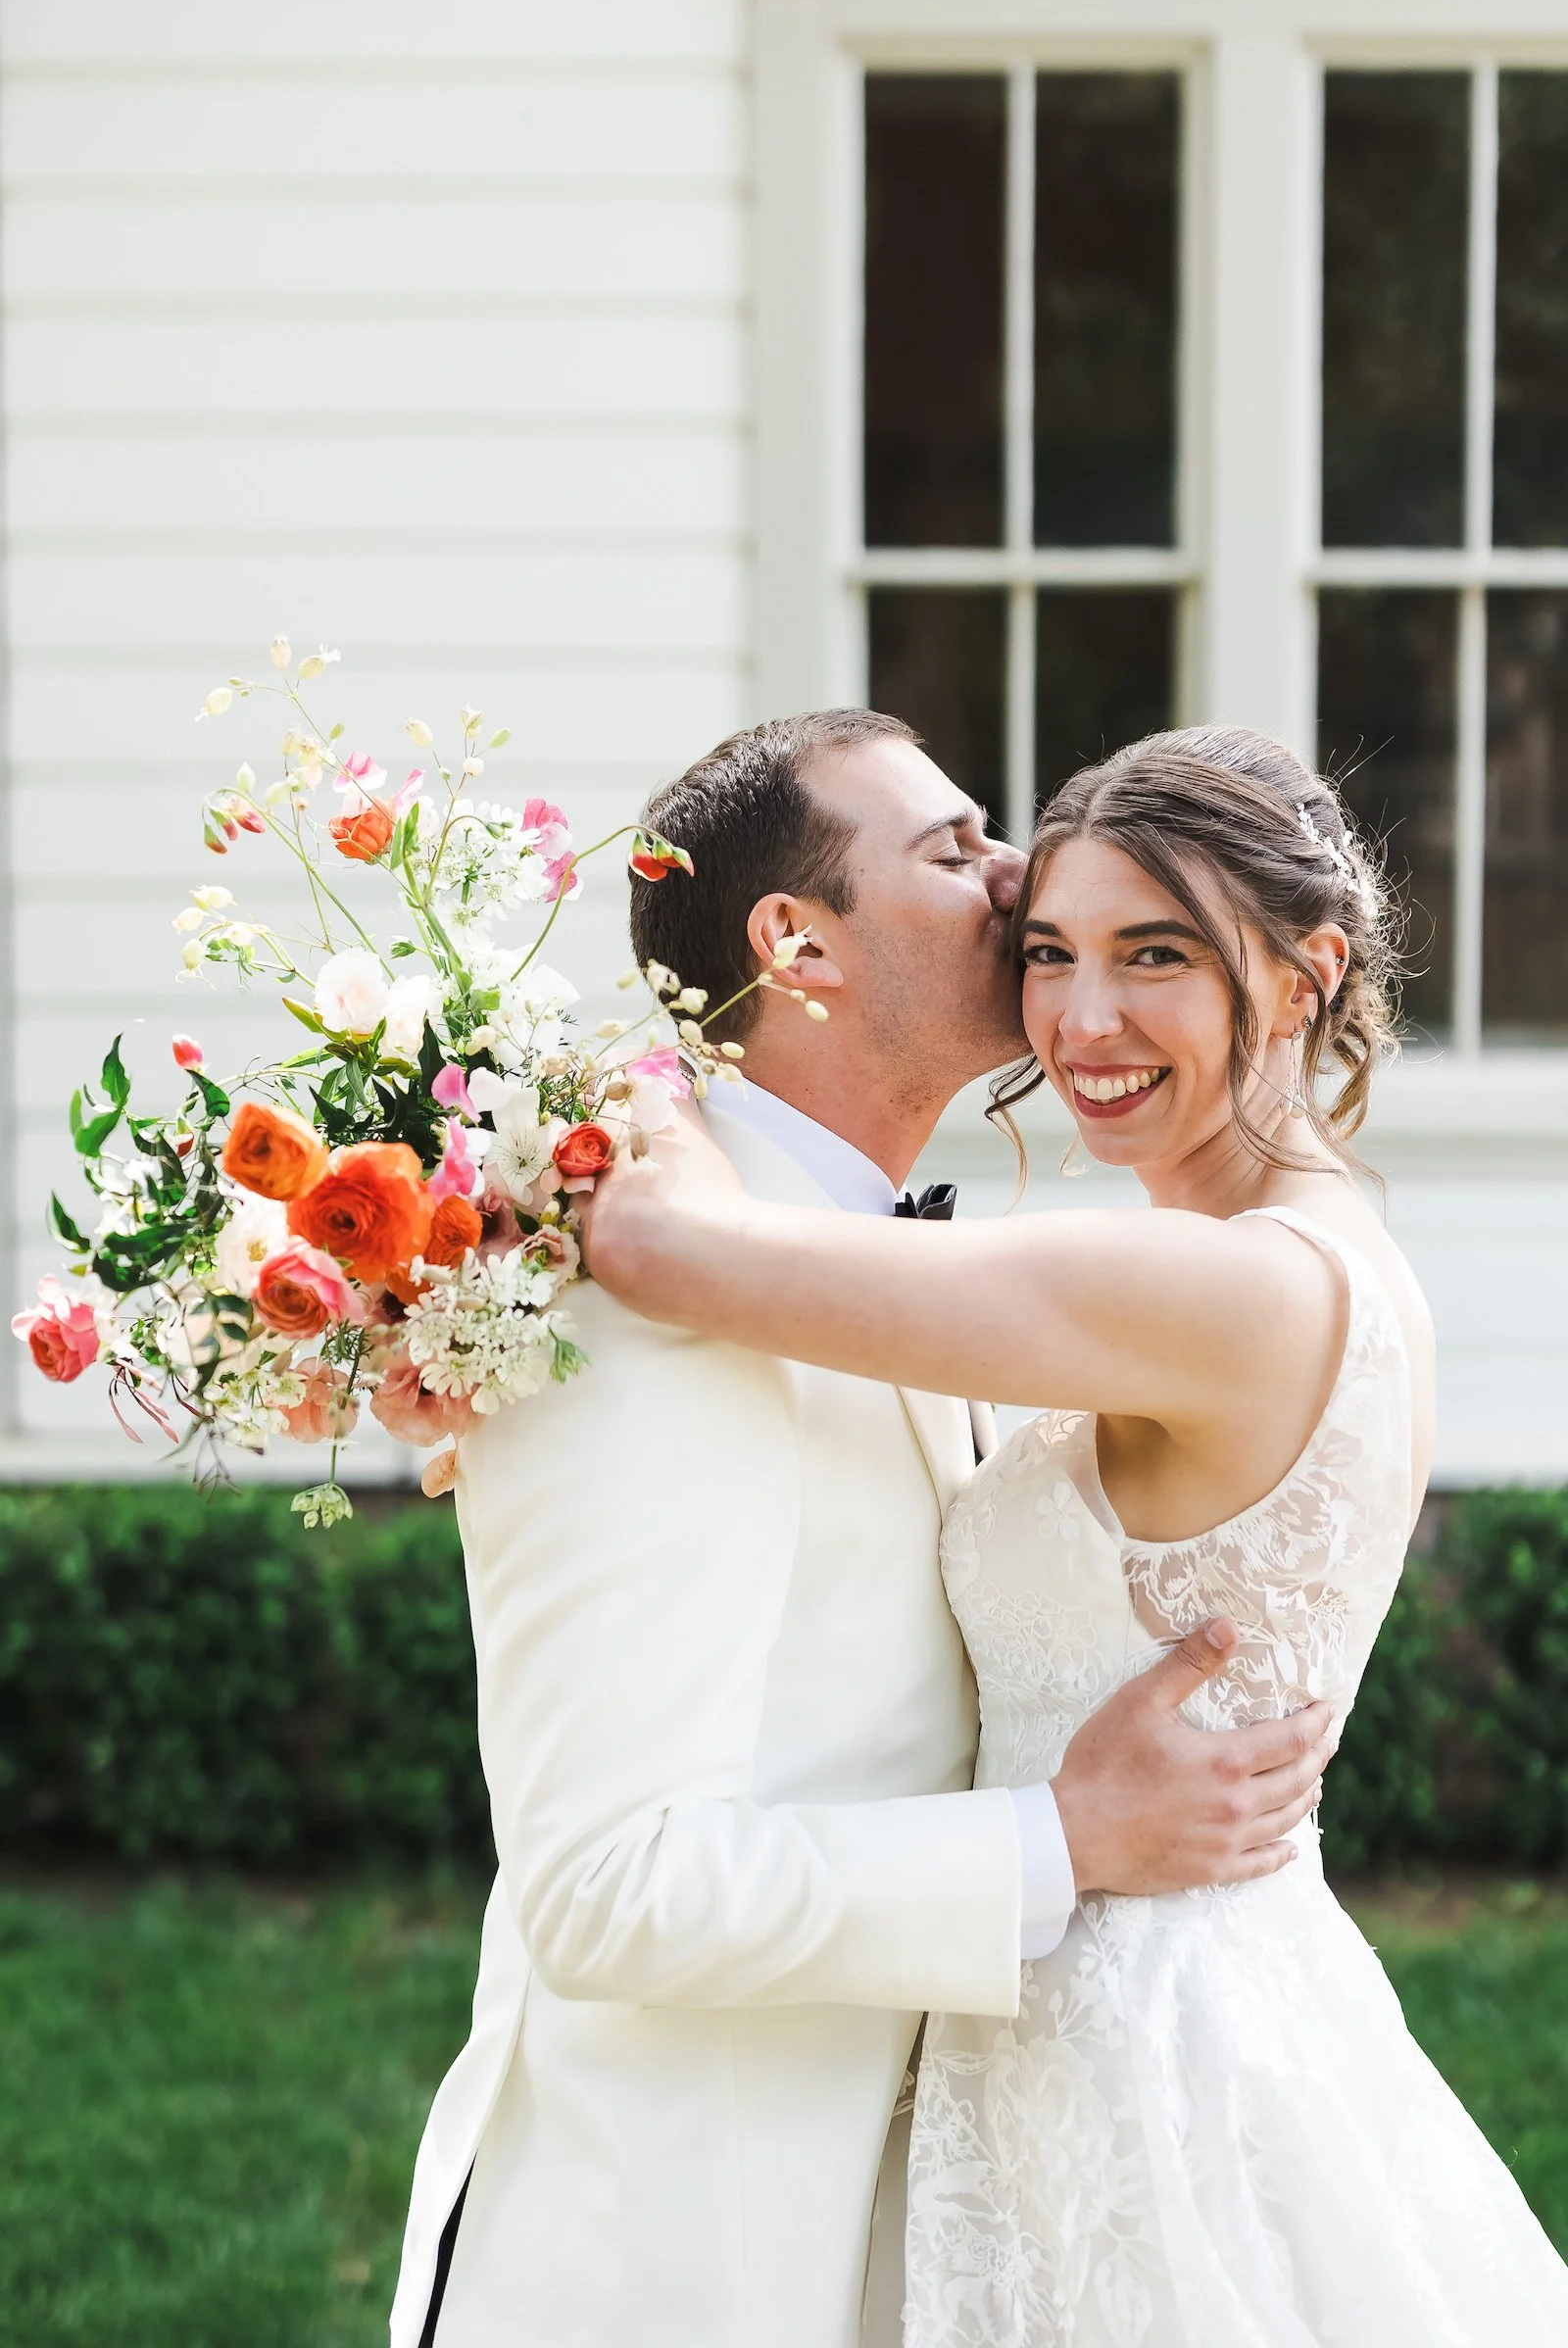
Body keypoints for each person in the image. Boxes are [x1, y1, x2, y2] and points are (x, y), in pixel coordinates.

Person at [580, 724, 1568, 2345]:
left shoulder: (1224, 1289)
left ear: (1309, 974)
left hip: (1141, 2069)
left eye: (1155, 957)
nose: (1083, 1021)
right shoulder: (1299, 1255)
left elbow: (654, 1237)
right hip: (1142, 2006)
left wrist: (585, 1096)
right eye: (1049, 953)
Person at [390, 711, 1334, 2348]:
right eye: (953, 845)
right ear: (796, 942)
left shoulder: (861, 1271)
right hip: (682, 2264)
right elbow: (607, 1890)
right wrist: (1065, 1840)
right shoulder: (633, 1312)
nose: (1018, 873)